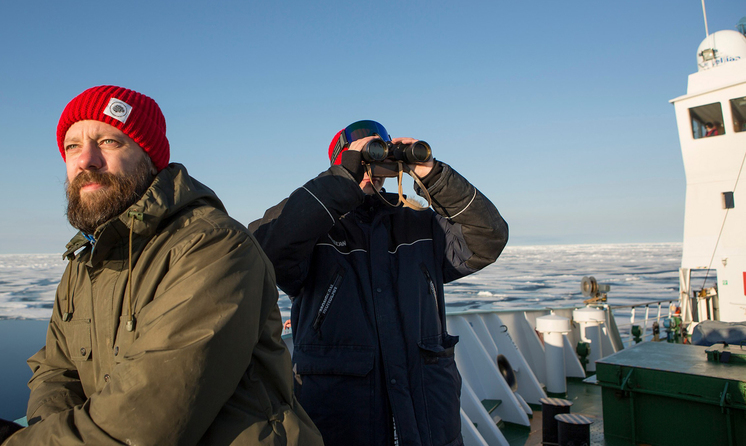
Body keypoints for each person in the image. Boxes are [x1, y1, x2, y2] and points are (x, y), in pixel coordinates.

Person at [0, 86, 323, 446]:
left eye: (108, 141)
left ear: (150, 157)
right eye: (72, 146)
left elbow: (143, 421)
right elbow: (56, 371)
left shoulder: (211, 245)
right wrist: (47, 432)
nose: (85, 159)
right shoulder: (84, 262)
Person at [250, 120, 509, 446]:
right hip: (342, 423)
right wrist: (340, 182)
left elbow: (489, 237)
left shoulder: (422, 226)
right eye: (364, 156)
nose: (371, 166)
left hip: (428, 420)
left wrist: (435, 176)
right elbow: (263, 252)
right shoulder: (316, 234)